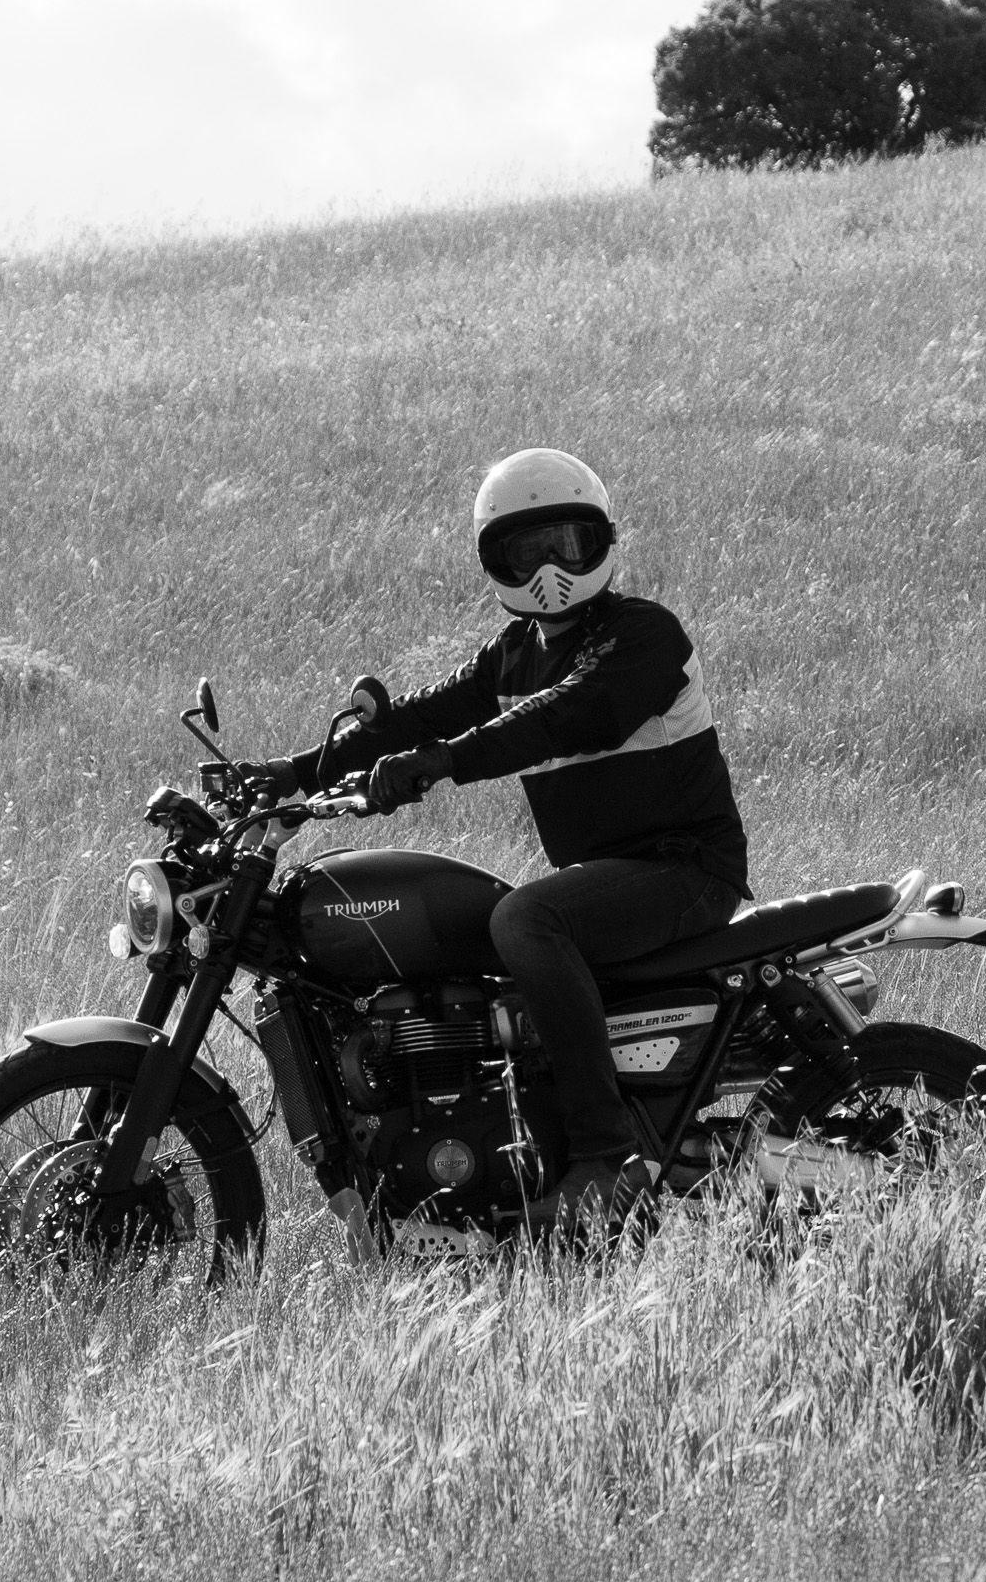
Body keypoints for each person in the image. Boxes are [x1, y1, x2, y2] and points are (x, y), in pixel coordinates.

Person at [259, 448, 750, 1232]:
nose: (550, 567)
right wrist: (291, 771)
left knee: (526, 918)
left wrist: (445, 762)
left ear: (602, 541)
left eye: (566, 543)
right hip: (611, 875)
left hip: (683, 872)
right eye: (528, 550)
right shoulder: (514, 654)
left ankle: (605, 1158)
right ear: (496, 561)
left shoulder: (645, 635)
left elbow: (570, 713)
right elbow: (419, 714)